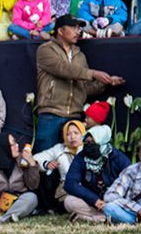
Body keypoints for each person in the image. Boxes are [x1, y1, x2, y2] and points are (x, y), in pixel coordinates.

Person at [34, 14, 124, 152]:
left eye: (78, 28)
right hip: (50, 115)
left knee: (73, 163)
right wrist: (93, 73)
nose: (78, 31)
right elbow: (63, 69)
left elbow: (85, 88)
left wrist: (106, 82)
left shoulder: (80, 56)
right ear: (60, 30)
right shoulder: (46, 50)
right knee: (44, 162)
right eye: (73, 27)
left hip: (75, 117)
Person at [64, 125, 130, 222]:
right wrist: (94, 200)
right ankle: (106, 218)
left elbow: (129, 184)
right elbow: (70, 183)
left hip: (115, 201)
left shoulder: (118, 158)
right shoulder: (81, 157)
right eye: (86, 142)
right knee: (69, 201)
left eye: (93, 142)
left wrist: (110, 200)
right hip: (94, 202)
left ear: (103, 141)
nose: (88, 145)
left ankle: (90, 217)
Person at [0, 133, 40, 223]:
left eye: (16, 142)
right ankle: (8, 218)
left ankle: (1, 221)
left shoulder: (22, 160)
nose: (17, 146)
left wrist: (32, 163)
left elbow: (33, 186)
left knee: (32, 197)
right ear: (4, 147)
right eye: (13, 144)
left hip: (18, 201)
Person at [34, 119, 85, 206]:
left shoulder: (89, 149)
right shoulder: (59, 149)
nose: (72, 137)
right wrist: (46, 164)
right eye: (68, 134)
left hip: (85, 189)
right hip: (66, 190)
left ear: (83, 134)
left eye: (76, 133)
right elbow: (35, 158)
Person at [103, 142, 141, 224]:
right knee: (109, 208)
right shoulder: (131, 171)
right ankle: (135, 222)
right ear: (139, 154)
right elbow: (110, 195)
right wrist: (137, 209)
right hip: (134, 212)